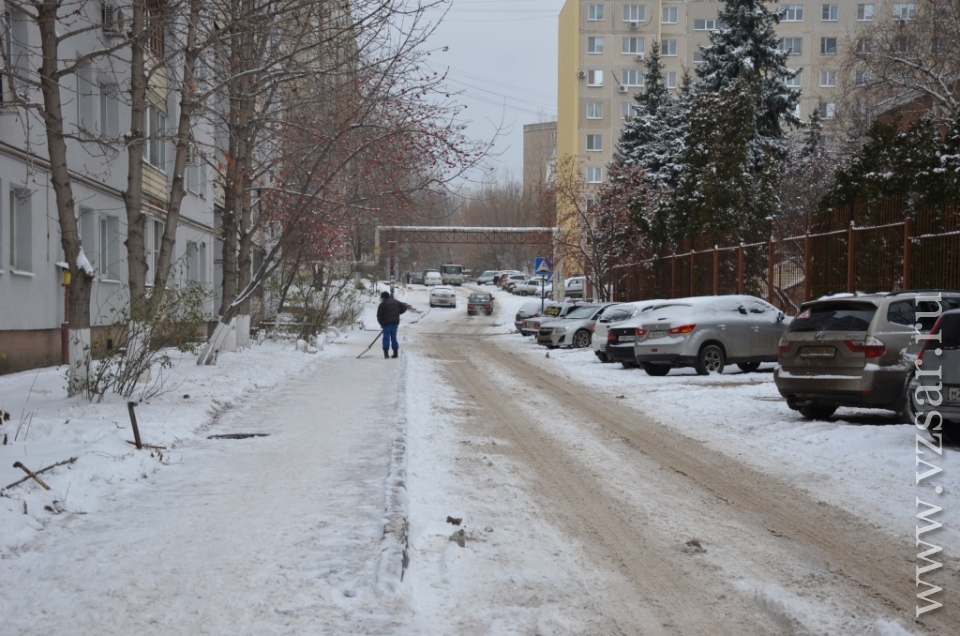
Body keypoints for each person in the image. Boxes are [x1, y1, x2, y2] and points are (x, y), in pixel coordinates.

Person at [376, 291, 407, 358]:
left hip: (386, 323)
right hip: (395, 323)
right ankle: (395, 353)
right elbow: (404, 307)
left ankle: (386, 354)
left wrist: (381, 323)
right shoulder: (396, 301)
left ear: (384, 297)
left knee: (386, 338)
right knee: (394, 337)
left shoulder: (383, 304)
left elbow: (379, 315)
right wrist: (398, 312)